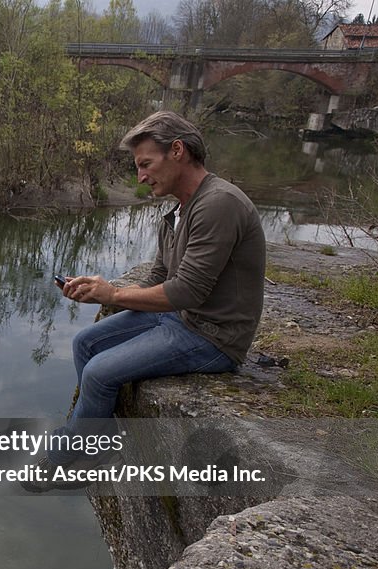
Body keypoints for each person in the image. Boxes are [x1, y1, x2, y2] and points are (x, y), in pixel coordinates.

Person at [51, 111, 265, 468]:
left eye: (146, 164)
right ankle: (89, 435)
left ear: (177, 151)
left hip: (213, 337)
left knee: (99, 372)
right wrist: (99, 289)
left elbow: (186, 292)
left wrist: (114, 296)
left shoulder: (219, 204)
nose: (141, 177)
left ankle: (77, 460)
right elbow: (160, 277)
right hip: (179, 319)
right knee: (84, 343)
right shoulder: (179, 211)